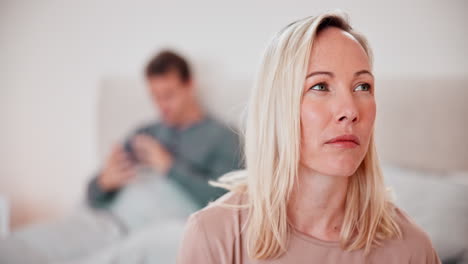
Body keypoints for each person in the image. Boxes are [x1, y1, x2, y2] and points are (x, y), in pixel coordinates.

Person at [177, 11, 441, 263]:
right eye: (320, 86)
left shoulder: (412, 248)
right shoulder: (213, 236)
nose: (349, 111)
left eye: (362, 87)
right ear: (278, 106)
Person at [87, 50, 241, 221]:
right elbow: (91, 196)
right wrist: (103, 183)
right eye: (155, 97)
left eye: (168, 95)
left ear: (189, 85)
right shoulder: (146, 133)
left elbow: (228, 201)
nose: (161, 105)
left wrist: (168, 166)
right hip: (113, 216)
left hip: (164, 225)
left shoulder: (222, 136)